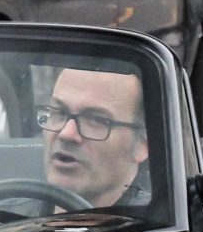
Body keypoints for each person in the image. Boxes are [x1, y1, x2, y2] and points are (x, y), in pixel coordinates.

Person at [38, 68, 150, 208]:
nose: (66, 133)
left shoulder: (162, 227)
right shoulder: (7, 217)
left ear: (142, 145)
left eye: (95, 119)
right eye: (59, 112)